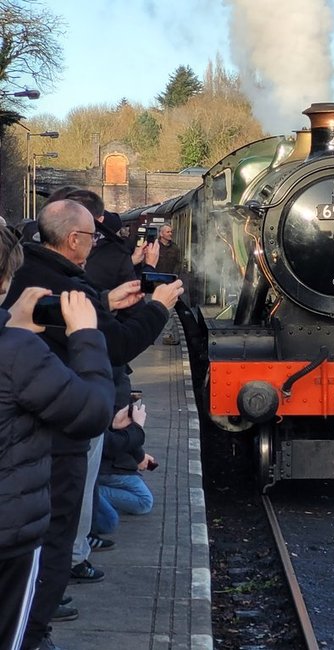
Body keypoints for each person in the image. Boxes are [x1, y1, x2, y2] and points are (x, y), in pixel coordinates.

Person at [0, 200, 184, 650]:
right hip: (29, 487)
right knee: (55, 545)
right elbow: (94, 406)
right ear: (76, 239)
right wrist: (97, 330)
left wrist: (101, 302)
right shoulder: (18, 349)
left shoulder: (36, 286)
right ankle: (38, 633)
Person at [0, 227, 114, 650]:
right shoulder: (17, 353)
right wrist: (86, 335)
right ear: (6, 281)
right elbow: (93, 411)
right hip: (9, 536)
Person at [92, 398, 155, 536]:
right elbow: (111, 443)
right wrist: (139, 454)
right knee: (144, 501)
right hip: (109, 463)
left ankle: (91, 492)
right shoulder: (111, 383)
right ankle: (90, 492)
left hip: (109, 459)